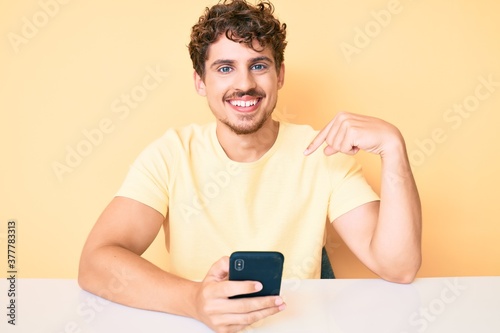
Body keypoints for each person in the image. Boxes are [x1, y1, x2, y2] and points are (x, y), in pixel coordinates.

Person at [78, 0, 422, 332]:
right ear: (200, 81)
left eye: (258, 65)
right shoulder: (171, 155)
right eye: (225, 68)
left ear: (279, 75)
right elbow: (95, 264)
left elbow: (400, 267)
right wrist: (194, 299)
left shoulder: (322, 153)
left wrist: (394, 148)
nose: (244, 83)